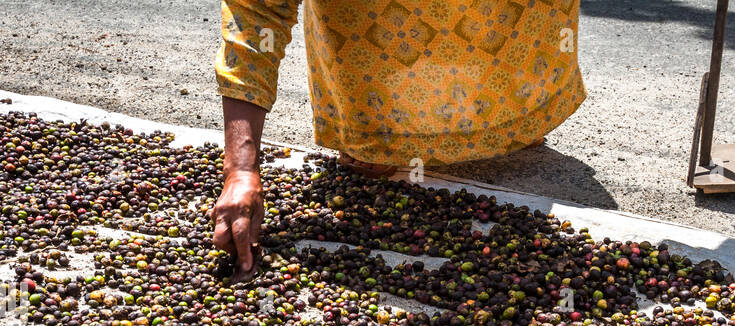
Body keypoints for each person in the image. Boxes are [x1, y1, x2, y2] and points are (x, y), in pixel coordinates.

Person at [212, 0, 586, 274]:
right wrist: (241, 168)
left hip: (512, 38)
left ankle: (514, 122)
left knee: (516, 106)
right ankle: (386, 136)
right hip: (380, 73)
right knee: (375, 146)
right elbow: (257, 12)